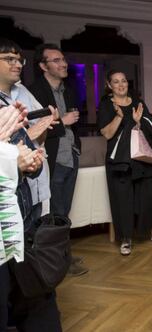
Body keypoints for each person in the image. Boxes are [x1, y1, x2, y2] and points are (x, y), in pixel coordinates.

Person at [0, 38, 62, 332]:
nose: (16, 64)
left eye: (18, 59)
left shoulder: (13, 98)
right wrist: (16, 160)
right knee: (22, 279)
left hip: (19, 207)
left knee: (27, 276)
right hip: (6, 214)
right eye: (8, 58)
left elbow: (23, 149)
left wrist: (34, 142)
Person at [29, 43, 88, 276]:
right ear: (43, 66)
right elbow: (32, 131)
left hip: (70, 157)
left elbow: (77, 124)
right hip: (51, 161)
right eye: (56, 60)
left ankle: (64, 257)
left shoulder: (69, 90)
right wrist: (62, 121)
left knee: (63, 211)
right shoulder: (34, 93)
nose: (63, 64)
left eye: (63, 59)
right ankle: (56, 262)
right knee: (53, 213)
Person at [98, 70, 152, 255]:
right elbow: (107, 134)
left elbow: (151, 129)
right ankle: (126, 237)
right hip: (120, 161)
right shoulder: (106, 105)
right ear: (109, 85)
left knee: (148, 196)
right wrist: (119, 116)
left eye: (123, 81)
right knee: (123, 199)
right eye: (116, 82)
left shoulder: (138, 102)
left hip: (142, 159)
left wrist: (138, 122)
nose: (121, 85)